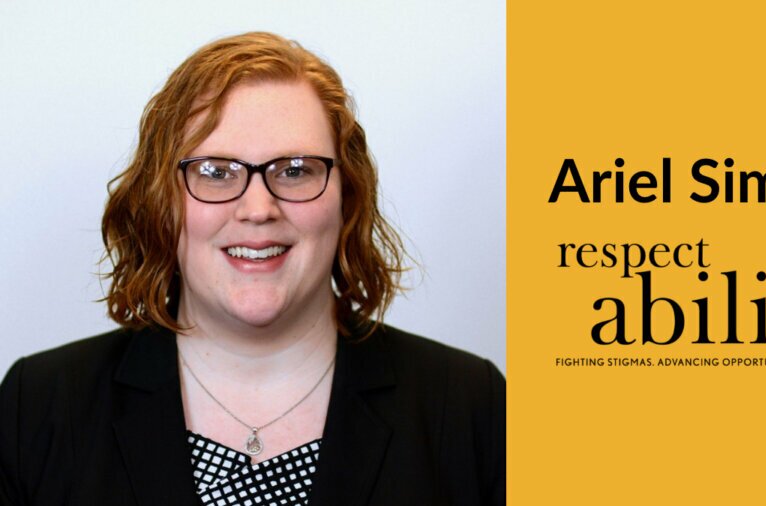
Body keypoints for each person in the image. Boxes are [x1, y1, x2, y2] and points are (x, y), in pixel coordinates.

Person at [0, 32, 505, 506]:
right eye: (216, 172)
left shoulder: (469, 405)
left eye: (295, 170)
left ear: (346, 196)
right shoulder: (38, 405)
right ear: (161, 201)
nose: (258, 207)